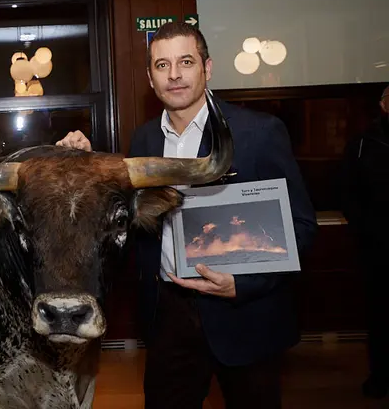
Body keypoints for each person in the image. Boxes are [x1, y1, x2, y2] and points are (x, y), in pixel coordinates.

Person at [57, 22, 317, 408]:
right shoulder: (143, 141)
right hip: (168, 315)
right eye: (162, 65)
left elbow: (302, 227)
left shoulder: (258, 133)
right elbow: (124, 214)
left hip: (243, 315)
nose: (174, 75)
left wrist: (244, 285)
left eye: (186, 62)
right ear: (150, 77)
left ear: (207, 68)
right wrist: (85, 161)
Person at [340, 84, 389, 399]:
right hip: (379, 250)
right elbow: (347, 193)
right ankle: (381, 378)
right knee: (382, 318)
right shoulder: (362, 144)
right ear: (384, 105)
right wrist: (367, 230)